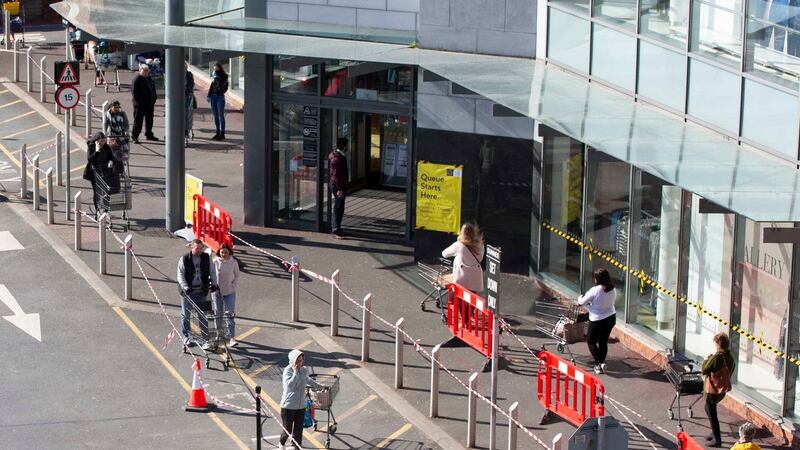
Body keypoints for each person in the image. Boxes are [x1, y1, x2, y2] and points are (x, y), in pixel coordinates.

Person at [177, 239, 218, 349]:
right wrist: (186, 287)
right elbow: (180, 274)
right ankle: (187, 336)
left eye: (201, 248)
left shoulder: (206, 258)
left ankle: (206, 339)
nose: (200, 250)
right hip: (188, 292)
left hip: (201, 290)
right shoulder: (184, 259)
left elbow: (213, 271)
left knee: (203, 315)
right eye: (197, 248)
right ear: (192, 247)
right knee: (186, 315)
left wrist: (214, 284)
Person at [279, 349, 322, 449]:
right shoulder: (287, 371)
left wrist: (319, 386)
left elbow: (308, 380)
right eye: (298, 361)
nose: (300, 363)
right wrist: (295, 372)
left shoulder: (304, 369)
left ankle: (297, 447)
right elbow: (290, 385)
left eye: (301, 360)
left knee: (298, 430)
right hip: (288, 406)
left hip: (301, 406)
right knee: (287, 430)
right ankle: (281, 443)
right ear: (293, 361)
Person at [577, 268, 617, 374]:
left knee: (591, 341)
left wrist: (580, 297)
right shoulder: (613, 289)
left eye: (595, 277)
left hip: (597, 320)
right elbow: (606, 301)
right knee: (603, 341)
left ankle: (599, 364)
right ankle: (601, 363)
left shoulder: (595, 290)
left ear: (598, 279)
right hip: (610, 318)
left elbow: (582, 301)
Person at [703, 332, 736, 447]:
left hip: (712, 389)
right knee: (708, 409)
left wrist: (706, 359)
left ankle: (717, 439)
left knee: (711, 411)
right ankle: (714, 431)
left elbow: (704, 370)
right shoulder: (730, 357)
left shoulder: (717, 357)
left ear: (718, 344)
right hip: (722, 389)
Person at [84, 131, 121, 213]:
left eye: (103, 141)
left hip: (105, 172)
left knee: (106, 191)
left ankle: (105, 209)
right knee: (96, 191)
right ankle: (97, 210)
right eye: (100, 141)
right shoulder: (91, 147)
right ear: (96, 141)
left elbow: (111, 157)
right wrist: (96, 151)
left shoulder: (106, 147)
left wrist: (111, 161)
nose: (102, 143)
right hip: (95, 172)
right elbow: (90, 159)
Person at [441, 222, 485, 292]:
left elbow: (444, 254)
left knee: (458, 298)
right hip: (475, 278)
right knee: (471, 299)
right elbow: (480, 258)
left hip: (461, 278)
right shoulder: (480, 245)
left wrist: (456, 253)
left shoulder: (458, 245)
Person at [212, 243, 239, 347]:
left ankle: (231, 337)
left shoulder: (233, 262)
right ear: (219, 252)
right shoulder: (215, 262)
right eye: (222, 252)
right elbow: (211, 274)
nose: (223, 254)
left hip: (229, 293)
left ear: (229, 252)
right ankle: (218, 334)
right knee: (218, 314)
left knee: (230, 314)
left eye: (226, 252)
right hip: (217, 293)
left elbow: (237, 275)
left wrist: (233, 285)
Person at [131, 64, 158, 144]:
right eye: (144, 70)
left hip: (149, 103)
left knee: (149, 119)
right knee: (138, 121)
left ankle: (149, 134)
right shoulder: (137, 79)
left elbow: (153, 88)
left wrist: (154, 98)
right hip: (140, 104)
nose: (146, 72)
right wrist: (139, 104)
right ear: (140, 70)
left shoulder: (148, 78)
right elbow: (134, 93)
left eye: (147, 70)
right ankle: (135, 136)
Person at [328, 137, 349, 239]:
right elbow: (336, 175)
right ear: (345, 147)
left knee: (340, 207)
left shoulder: (335, 155)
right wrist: (340, 189)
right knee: (338, 207)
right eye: (347, 146)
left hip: (337, 185)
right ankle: (335, 229)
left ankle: (337, 228)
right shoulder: (338, 158)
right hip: (338, 186)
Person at [207, 62, 228, 141]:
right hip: (213, 97)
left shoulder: (224, 76)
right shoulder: (214, 77)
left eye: (216, 69)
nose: (215, 70)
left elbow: (222, 86)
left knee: (221, 115)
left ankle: (222, 133)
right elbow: (212, 86)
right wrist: (209, 95)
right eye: (214, 69)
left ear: (220, 68)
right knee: (215, 116)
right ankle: (217, 132)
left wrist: (217, 78)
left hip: (220, 97)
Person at [184, 63, 195, 144]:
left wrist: (187, 89)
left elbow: (191, 84)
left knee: (187, 115)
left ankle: (186, 131)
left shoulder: (189, 74)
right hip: (180, 96)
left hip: (187, 96)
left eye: (185, 66)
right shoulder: (176, 73)